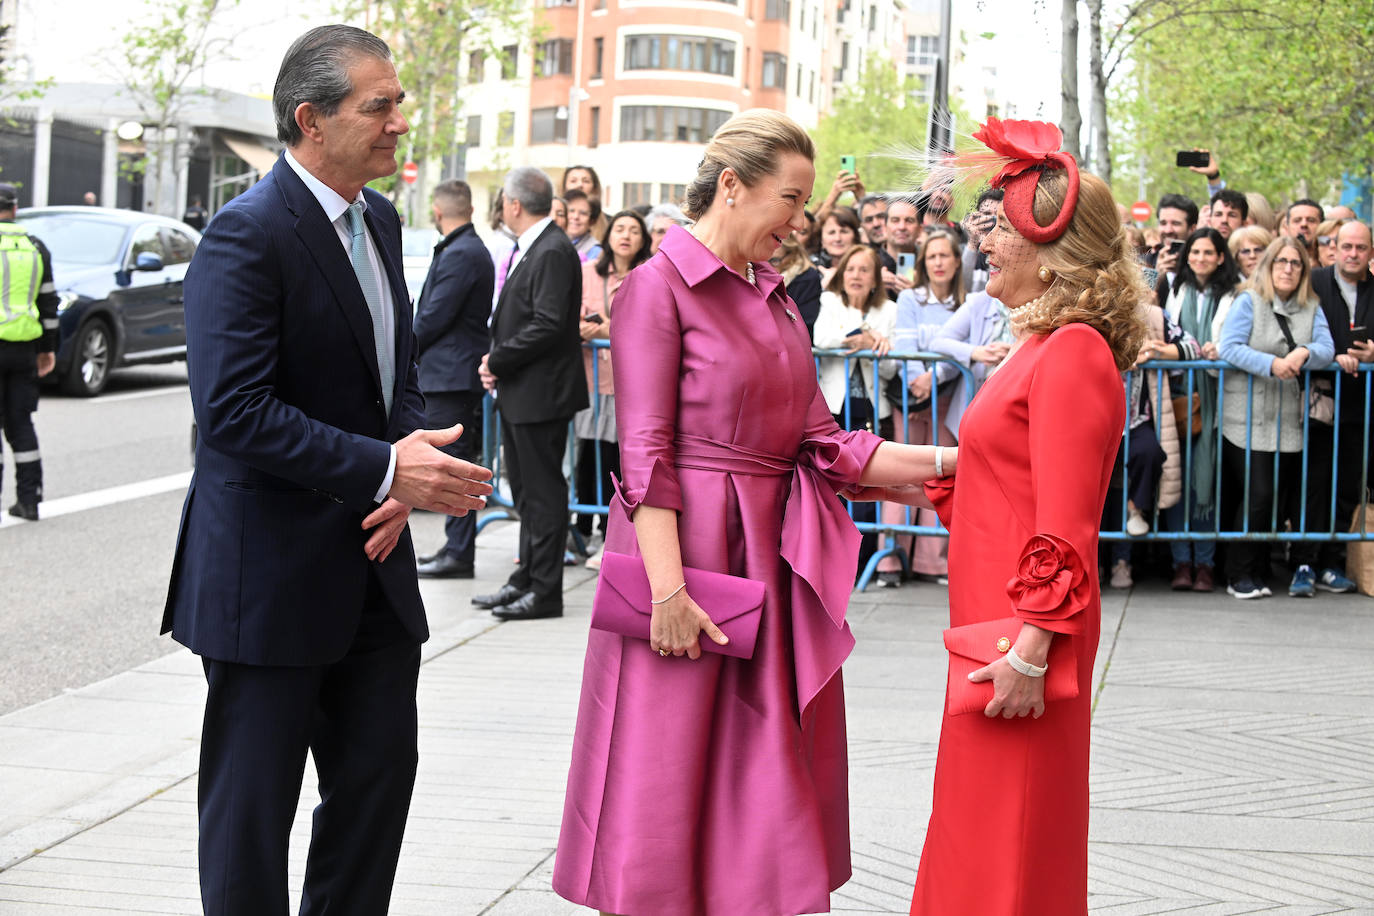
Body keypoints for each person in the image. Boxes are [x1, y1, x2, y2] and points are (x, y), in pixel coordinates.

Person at [552, 108, 950, 916]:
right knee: (671, 763)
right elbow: (644, 457)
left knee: (763, 766)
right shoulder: (656, 289)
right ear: (731, 186)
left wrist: (958, 463)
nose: (800, 222)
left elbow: (827, 443)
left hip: (764, 554)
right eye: (790, 200)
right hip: (687, 556)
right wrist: (666, 592)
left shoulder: (775, 300)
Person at [160, 26, 494, 913]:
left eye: (397, 104)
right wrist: (383, 473)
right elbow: (232, 412)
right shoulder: (245, 235)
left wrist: (401, 464)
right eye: (378, 107)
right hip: (267, 577)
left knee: (378, 787)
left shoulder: (378, 219)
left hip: (373, 572)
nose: (398, 124)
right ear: (311, 120)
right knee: (249, 818)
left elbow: (397, 376)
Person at [909, 117, 1147, 915]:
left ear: (1051, 250)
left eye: (998, 230)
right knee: (985, 838)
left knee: (1004, 846)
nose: (984, 245)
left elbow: (1066, 524)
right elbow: (1005, 480)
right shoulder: (1047, 346)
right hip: (1000, 633)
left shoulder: (1072, 351)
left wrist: (1033, 653)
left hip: (1018, 646)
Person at [475, 166, 587, 620]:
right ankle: (524, 580)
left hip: (542, 393)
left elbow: (548, 323)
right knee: (523, 490)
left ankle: (545, 593)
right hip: (524, 391)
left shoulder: (552, 250)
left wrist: (496, 361)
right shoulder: (536, 246)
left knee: (542, 494)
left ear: (514, 204)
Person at [1218, 237, 1335, 599]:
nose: (1288, 268)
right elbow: (1229, 346)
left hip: (1287, 417)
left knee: (1275, 499)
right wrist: (1272, 363)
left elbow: (1327, 348)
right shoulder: (1248, 301)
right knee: (1259, 494)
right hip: (1246, 416)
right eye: (1281, 261)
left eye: (1296, 263)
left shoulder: (1311, 306)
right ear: (1269, 265)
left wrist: (1303, 353)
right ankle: (1238, 574)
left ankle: (1257, 570)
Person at [414, 179, 495, 579]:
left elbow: (435, 315)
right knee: (452, 460)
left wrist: (403, 347)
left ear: (438, 210)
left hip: (451, 375)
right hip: (449, 372)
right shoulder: (462, 248)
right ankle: (454, 548)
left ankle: (459, 553)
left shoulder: (463, 252)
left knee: (455, 462)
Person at [880, 229, 966, 586]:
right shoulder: (910, 299)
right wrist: (920, 389)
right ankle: (890, 562)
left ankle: (934, 563)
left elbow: (961, 350)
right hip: (912, 399)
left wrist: (935, 377)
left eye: (944, 256)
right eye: (932, 257)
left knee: (941, 478)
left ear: (957, 261)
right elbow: (906, 345)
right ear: (923, 263)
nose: (938, 263)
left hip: (949, 399)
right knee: (901, 474)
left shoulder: (966, 301)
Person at [1160, 227, 1240, 592]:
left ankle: (1205, 564)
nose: (1201, 259)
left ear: (1221, 257)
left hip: (1218, 401)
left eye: (1209, 253)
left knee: (1206, 482)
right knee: (1179, 480)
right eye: (1195, 253)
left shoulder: (1234, 293)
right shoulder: (1174, 289)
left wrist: (1218, 350)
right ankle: (1180, 563)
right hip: (1180, 398)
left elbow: (1234, 341)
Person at [573, 209, 652, 567]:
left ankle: (611, 534)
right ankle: (581, 529)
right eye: (619, 228)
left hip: (628, 383)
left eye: (634, 230)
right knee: (586, 454)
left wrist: (607, 330)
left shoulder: (647, 275)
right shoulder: (588, 272)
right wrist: (587, 328)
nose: (626, 235)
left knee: (615, 459)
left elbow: (642, 323)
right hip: (589, 379)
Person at [1305, 219, 1372, 594]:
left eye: (1361, 248)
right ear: (1334, 246)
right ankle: (1305, 559)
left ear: (1370, 252)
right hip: (1318, 400)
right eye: (1347, 246)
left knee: (1348, 486)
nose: (1352, 254)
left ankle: (1332, 561)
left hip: (1361, 407)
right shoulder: (1315, 282)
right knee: (1313, 484)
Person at [0, 183, 59, 520]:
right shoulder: (36, 247)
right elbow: (48, 303)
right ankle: (29, 500)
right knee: (21, 422)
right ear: (15, 208)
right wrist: (47, 349)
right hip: (24, 349)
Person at [811, 243, 896, 431]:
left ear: (875, 280)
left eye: (864, 270)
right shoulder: (829, 301)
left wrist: (870, 345)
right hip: (834, 404)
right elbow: (821, 339)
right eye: (850, 269)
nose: (856, 276)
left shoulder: (890, 310)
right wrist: (865, 336)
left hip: (873, 404)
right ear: (842, 276)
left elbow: (890, 369)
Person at [773, 234, 824, 337]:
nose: (768, 267)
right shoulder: (755, 274)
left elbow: (805, 324)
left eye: (774, 261)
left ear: (792, 255)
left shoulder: (807, 279)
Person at [878, 197, 921, 300]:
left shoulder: (930, 264)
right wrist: (873, 285)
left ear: (920, 229)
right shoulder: (869, 262)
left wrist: (919, 292)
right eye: (895, 220)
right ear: (884, 227)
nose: (902, 227)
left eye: (909, 221)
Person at [811, 205, 861, 283]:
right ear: (822, 240)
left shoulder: (869, 264)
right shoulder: (811, 268)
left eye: (844, 231)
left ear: (855, 236)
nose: (838, 238)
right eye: (831, 233)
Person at [564, 188, 603, 262]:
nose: (576, 217)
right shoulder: (555, 241)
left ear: (592, 221)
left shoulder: (596, 251)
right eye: (571, 211)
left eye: (583, 213)